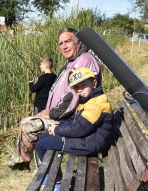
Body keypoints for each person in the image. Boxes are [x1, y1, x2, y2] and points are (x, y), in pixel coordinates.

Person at [8, 28, 102, 168]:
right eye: (61, 43)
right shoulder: (72, 61)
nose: (64, 46)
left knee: (28, 125)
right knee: (30, 123)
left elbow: (72, 96)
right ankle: (32, 164)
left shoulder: (83, 60)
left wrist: (51, 113)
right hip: (68, 117)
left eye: (68, 41)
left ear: (79, 42)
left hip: (73, 119)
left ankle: (26, 163)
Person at [36, 66, 115, 162]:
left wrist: (57, 130)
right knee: (43, 137)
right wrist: (59, 126)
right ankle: (55, 176)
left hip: (91, 143)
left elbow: (79, 129)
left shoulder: (96, 105)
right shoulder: (88, 100)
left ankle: (53, 177)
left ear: (94, 83)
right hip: (88, 138)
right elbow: (74, 120)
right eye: (77, 87)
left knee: (41, 145)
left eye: (83, 85)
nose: (80, 90)